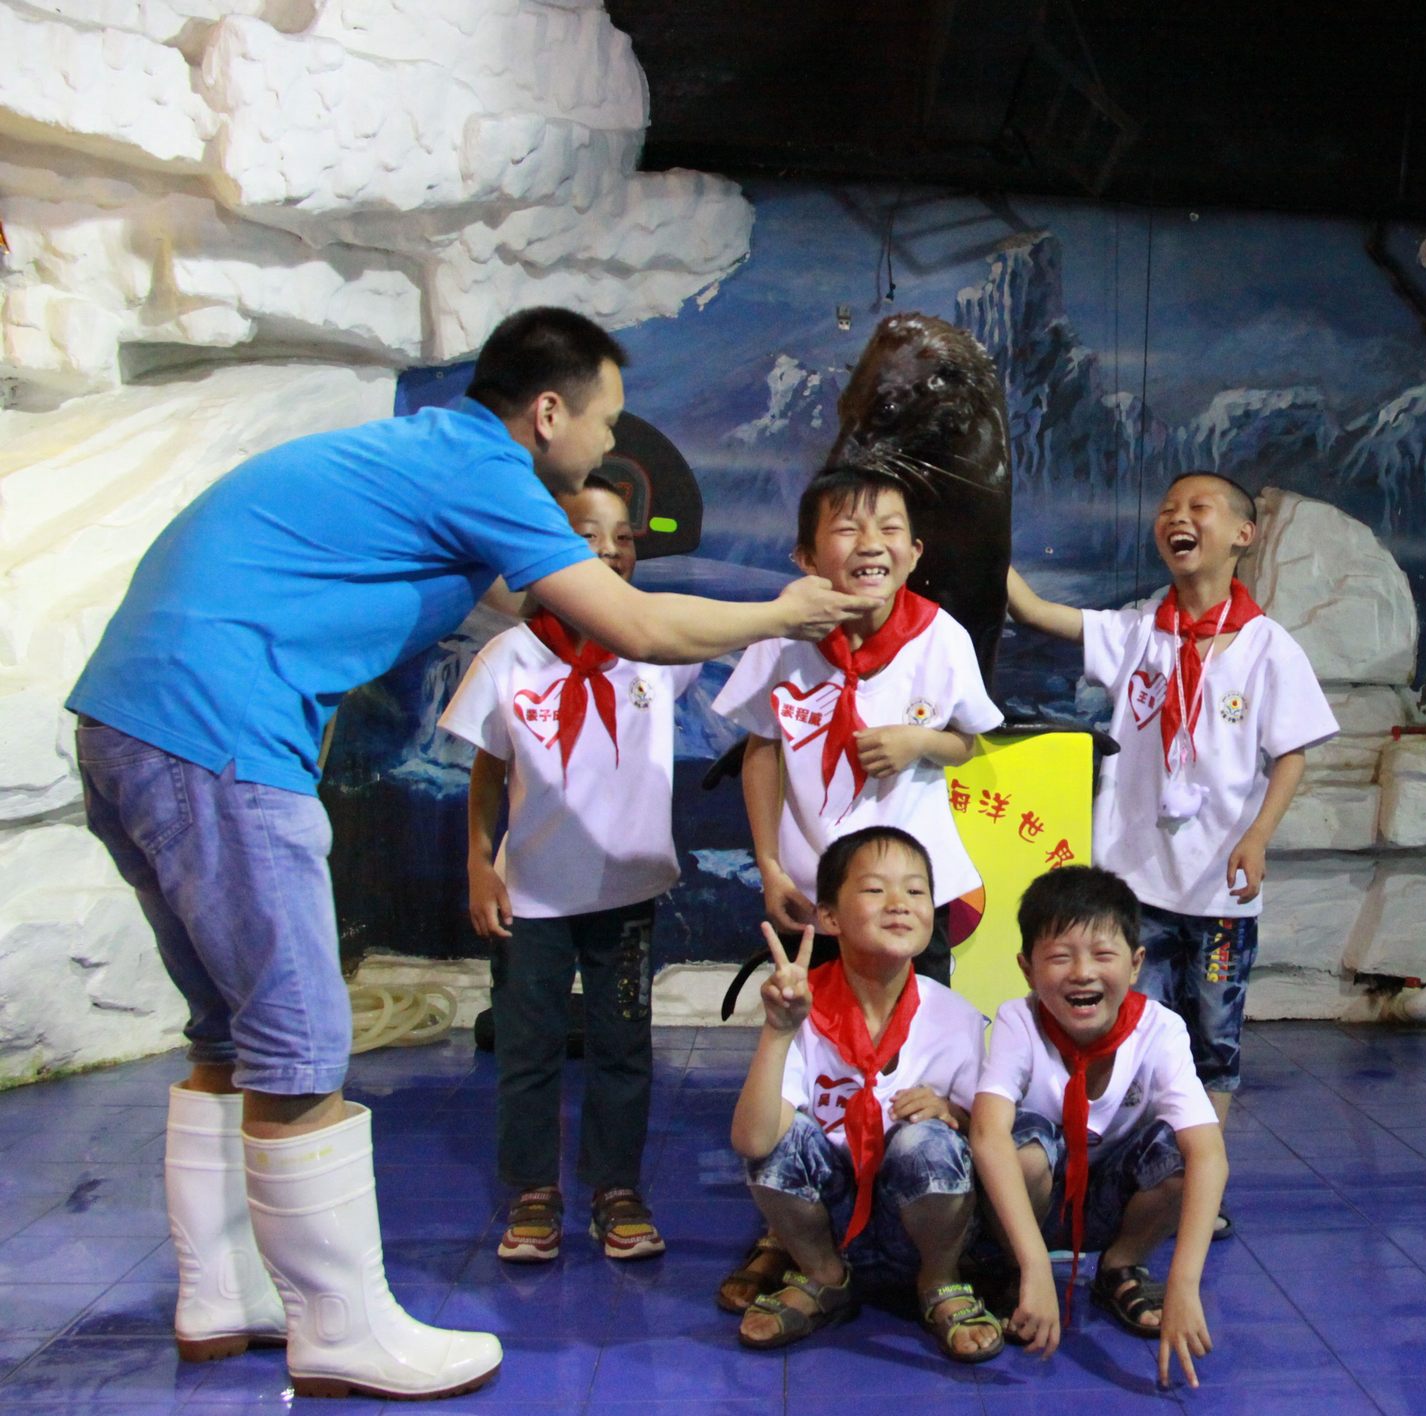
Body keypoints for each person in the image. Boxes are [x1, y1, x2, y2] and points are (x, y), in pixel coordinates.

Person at [66, 306, 873, 1402]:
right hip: (219, 735)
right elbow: (634, 628)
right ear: (546, 413)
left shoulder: (427, 464)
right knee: (300, 1046)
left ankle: (223, 1295)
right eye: (605, 420)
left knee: (231, 1033)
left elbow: (549, 603)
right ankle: (340, 1331)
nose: (610, 443)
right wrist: (785, 608)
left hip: (129, 722)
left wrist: (728, 613)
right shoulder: (483, 470)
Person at [1003, 471, 1336, 1235]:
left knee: (1212, 1043)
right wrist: (982, 539)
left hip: (1220, 891)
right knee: (1123, 1032)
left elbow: (1290, 754)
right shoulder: (1134, 634)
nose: (1176, 518)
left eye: (1197, 508)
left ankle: (1193, 1185)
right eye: (1166, 509)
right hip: (1134, 890)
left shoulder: (1266, 648)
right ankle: (1113, 1174)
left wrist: (1257, 835)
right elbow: (1033, 610)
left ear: (1242, 535)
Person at [440, 474, 691, 1267]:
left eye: (623, 537)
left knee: (623, 1046)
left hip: (626, 893)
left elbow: (734, 638)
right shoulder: (510, 657)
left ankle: (615, 1190)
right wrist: (480, 864)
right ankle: (532, 1193)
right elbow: (488, 771)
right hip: (532, 897)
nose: (609, 551)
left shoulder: (654, 649)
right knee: (528, 1049)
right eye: (586, 536)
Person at [712, 464, 1004, 986]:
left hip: (912, 892)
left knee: (915, 1022)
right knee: (815, 1018)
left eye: (889, 529)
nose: (871, 544)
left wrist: (920, 741)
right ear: (806, 558)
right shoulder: (782, 638)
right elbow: (763, 750)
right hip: (815, 891)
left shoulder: (942, 639)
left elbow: (967, 742)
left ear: (914, 552)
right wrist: (770, 865)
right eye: (847, 529)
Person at [729, 826, 1002, 1363]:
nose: (899, 903)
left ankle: (939, 1281)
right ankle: (823, 1276)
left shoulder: (955, 1017)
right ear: (829, 917)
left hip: (917, 1229)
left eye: (916, 890)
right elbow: (752, 1141)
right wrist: (778, 1032)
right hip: (827, 1226)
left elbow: (989, 1136)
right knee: (779, 1140)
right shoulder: (803, 1007)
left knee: (930, 1140)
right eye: (875, 889)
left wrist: (952, 1112)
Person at [970, 865, 1227, 1389]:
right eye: (1060, 956)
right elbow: (987, 1134)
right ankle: (1017, 1270)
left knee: (1179, 1154)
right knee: (1021, 1149)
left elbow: (1209, 1154)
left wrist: (1184, 1283)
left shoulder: (1161, 1030)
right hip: (1038, 1209)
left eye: (1103, 954)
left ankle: (1121, 1266)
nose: (1082, 972)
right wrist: (1036, 1265)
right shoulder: (1019, 1021)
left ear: (1135, 964)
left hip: (1113, 1203)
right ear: (1026, 968)